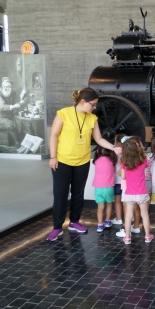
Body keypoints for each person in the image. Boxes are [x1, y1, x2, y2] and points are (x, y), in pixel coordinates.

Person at [47, 87, 119, 241]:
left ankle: (74, 221)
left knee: (78, 193)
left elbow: (99, 139)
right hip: (63, 160)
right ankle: (57, 227)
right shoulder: (63, 114)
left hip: (83, 161)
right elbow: (53, 135)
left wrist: (113, 147)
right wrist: (53, 157)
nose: (94, 108)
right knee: (60, 194)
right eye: (92, 105)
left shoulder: (92, 119)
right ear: (82, 101)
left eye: (95, 105)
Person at [118, 136, 153, 244]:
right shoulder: (143, 161)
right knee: (145, 214)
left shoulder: (124, 162)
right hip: (141, 192)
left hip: (129, 193)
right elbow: (146, 165)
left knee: (128, 215)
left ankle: (127, 237)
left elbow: (123, 177)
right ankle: (147, 236)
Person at [92, 147, 117, 232]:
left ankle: (99, 225)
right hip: (108, 187)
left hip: (98, 188)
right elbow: (113, 170)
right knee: (109, 204)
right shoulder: (112, 161)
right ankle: (107, 221)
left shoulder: (96, 161)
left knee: (100, 207)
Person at [111, 133, 126, 225]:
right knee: (126, 200)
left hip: (117, 180)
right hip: (126, 181)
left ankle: (119, 218)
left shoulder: (114, 155)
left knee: (117, 200)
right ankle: (129, 217)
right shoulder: (127, 154)